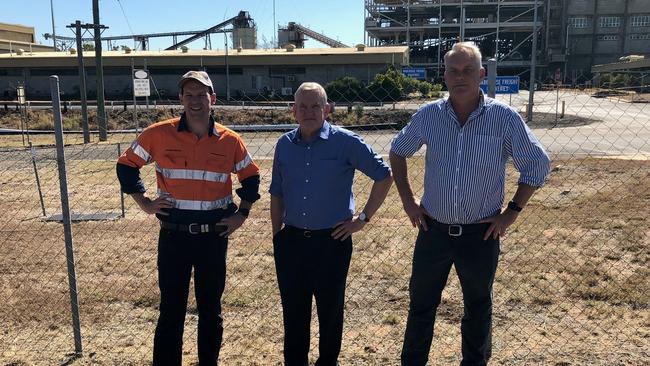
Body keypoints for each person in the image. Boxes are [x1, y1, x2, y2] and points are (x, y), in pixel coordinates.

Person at [390, 42, 551, 366]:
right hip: (432, 231)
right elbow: (398, 151)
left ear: (481, 74)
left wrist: (511, 213)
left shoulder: (504, 118)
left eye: (467, 71)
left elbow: (537, 164)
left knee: (477, 306)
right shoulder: (429, 116)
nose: (460, 76)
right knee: (421, 305)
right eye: (453, 70)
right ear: (445, 75)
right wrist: (409, 202)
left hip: (480, 235)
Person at [116, 70, 261, 366]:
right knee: (171, 309)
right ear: (181, 99)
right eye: (189, 94)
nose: (195, 100)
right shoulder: (157, 133)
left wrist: (242, 214)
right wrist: (144, 202)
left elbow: (251, 178)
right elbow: (126, 166)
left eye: (202, 94)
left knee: (211, 309)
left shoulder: (230, 140)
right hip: (174, 235)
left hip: (213, 236)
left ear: (213, 98)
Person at [269, 82, 393, 366]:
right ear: (294, 111)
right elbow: (276, 193)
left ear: (327, 109)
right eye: (303, 106)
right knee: (294, 311)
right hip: (292, 241)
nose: (309, 111)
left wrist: (362, 219)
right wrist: (278, 236)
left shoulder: (346, 142)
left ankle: (328, 362)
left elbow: (384, 176)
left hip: (332, 242)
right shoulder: (284, 145)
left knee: (330, 310)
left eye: (316, 106)